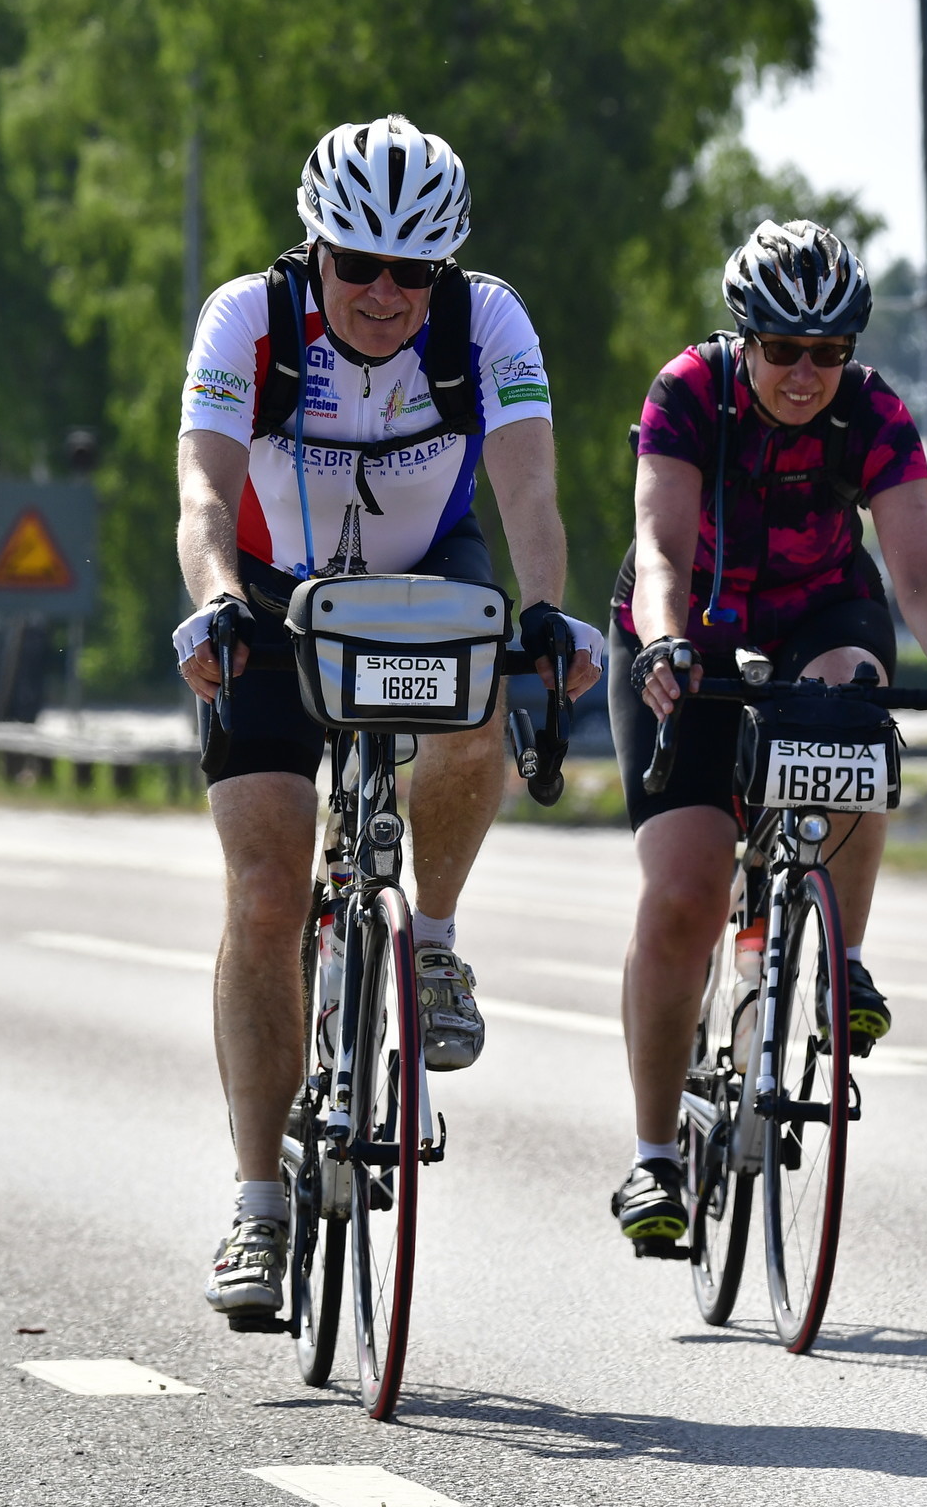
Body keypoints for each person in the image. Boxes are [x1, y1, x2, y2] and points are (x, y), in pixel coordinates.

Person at [175, 115, 605, 1316]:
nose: (383, 293)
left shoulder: (488, 321)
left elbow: (527, 485)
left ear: (441, 269)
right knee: (266, 891)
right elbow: (203, 487)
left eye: (410, 272)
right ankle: (256, 1205)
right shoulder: (246, 319)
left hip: (423, 575)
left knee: (478, 684)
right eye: (357, 264)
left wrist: (545, 612)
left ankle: (432, 943)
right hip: (270, 595)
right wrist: (213, 601)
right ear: (315, 249)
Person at [605, 219, 927, 1243]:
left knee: (850, 722)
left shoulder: (872, 412)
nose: (803, 373)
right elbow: (660, 548)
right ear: (744, 340)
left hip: (818, 609)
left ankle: (844, 957)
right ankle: (653, 1158)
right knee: (684, 894)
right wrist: (664, 641)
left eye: (826, 352)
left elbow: (921, 573)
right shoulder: (688, 393)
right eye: (782, 348)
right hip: (686, 623)